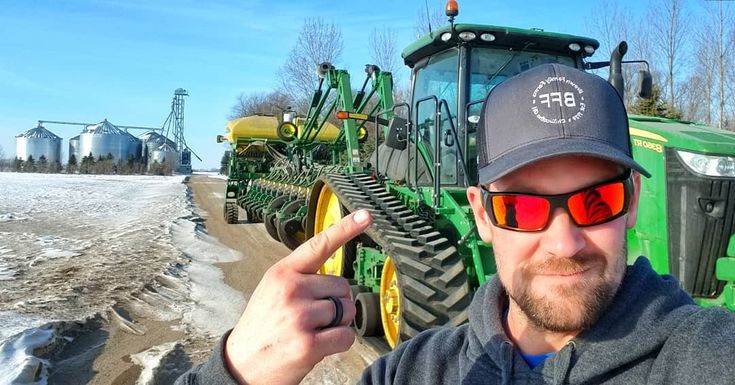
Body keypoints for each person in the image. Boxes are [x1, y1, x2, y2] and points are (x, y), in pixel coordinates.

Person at [175, 64, 735, 385]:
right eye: (523, 208)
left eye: (596, 202)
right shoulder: (410, 374)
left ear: (633, 201)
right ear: (482, 211)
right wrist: (234, 372)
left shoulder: (704, 355)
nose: (564, 241)